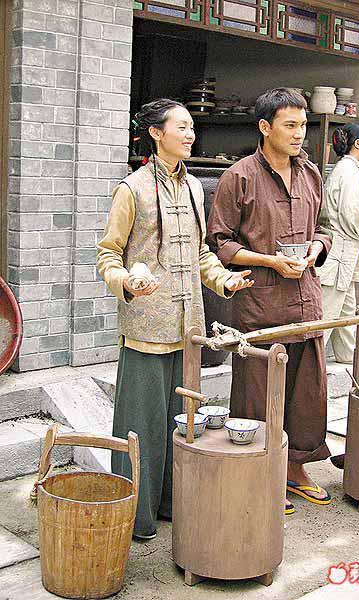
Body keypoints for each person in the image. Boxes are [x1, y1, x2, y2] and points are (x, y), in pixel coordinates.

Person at [97, 99, 253, 540]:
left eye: (191, 127)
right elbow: (108, 253)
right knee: (140, 427)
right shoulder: (131, 189)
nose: (190, 135)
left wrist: (225, 279)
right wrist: (126, 281)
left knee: (181, 423)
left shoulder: (195, 189)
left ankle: (169, 506)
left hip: (189, 330)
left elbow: (201, 253)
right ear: (156, 133)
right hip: (146, 329)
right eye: (180, 127)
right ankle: (135, 517)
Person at [207, 87, 332, 513]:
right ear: (265, 127)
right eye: (290, 125)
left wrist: (315, 249)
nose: (299, 134)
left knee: (307, 392)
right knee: (256, 392)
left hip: (306, 299)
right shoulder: (239, 176)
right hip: (260, 304)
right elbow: (220, 242)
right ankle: (258, 474)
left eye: (303, 125)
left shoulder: (311, 174)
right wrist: (270, 261)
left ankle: (295, 470)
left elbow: (324, 228)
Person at [316, 123, 359, 364]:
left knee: (346, 306)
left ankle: (348, 356)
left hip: (342, 246)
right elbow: (351, 213)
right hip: (340, 248)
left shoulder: (344, 170)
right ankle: (312, 362)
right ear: (357, 143)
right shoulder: (349, 173)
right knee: (329, 309)